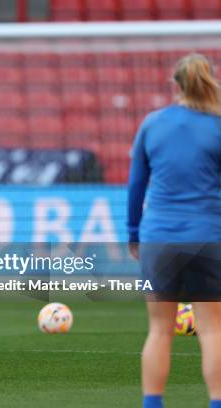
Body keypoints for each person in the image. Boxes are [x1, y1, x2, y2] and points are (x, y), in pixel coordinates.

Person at [128, 53, 221, 408]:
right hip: (207, 236)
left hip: (159, 237)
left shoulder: (153, 124)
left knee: (159, 330)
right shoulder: (217, 125)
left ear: (176, 85)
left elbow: (137, 186)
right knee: (212, 329)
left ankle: (153, 403)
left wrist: (134, 233)